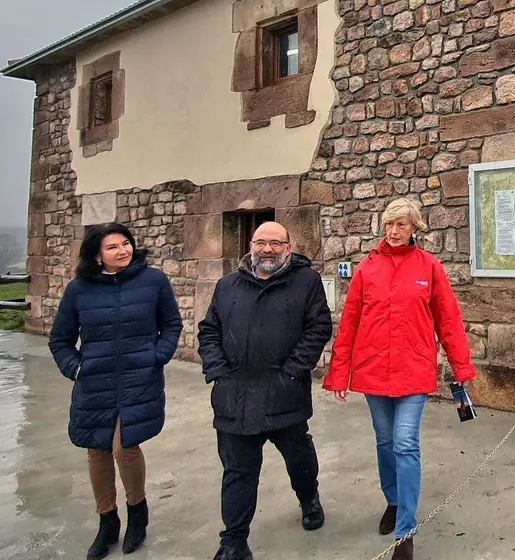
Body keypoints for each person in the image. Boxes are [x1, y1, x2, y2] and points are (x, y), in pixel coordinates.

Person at [322, 197, 476, 560]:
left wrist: (462, 368)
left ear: (414, 228)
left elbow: (448, 321)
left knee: (405, 443)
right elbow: (349, 323)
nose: (393, 231)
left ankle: (406, 530)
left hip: (413, 371)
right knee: (385, 441)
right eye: (389, 224)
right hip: (373, 370)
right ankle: (392, 500)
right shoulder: (367, 268)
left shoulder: (429, 267)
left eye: (401, 225)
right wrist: (339, 373)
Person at [197, 221, 333, 560]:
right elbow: (209, 330)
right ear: (251, 246)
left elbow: (318, 328)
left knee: (299, 458)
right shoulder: (227, 285)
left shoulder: (306, 281)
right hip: (235, 397)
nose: (267, 249)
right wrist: (217, 371)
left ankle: (308, 497)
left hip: (284, 393)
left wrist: (292, 373)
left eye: (275, 243)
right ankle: (234, 541)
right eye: (260, 242)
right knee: (238, 472)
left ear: (288, 247)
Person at [48, 223, 183, 560]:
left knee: (125, 446)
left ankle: (137, 512)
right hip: (95, 382)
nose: (122, 250)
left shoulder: (153, 281)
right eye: (112, 247)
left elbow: (171, 324)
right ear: (97, 255)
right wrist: (76, 368)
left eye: (126, 243)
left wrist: (157, 357)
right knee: (97, 449)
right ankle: (107, 521)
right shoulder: (79, 290)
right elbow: (60, 339)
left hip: (139, 377)